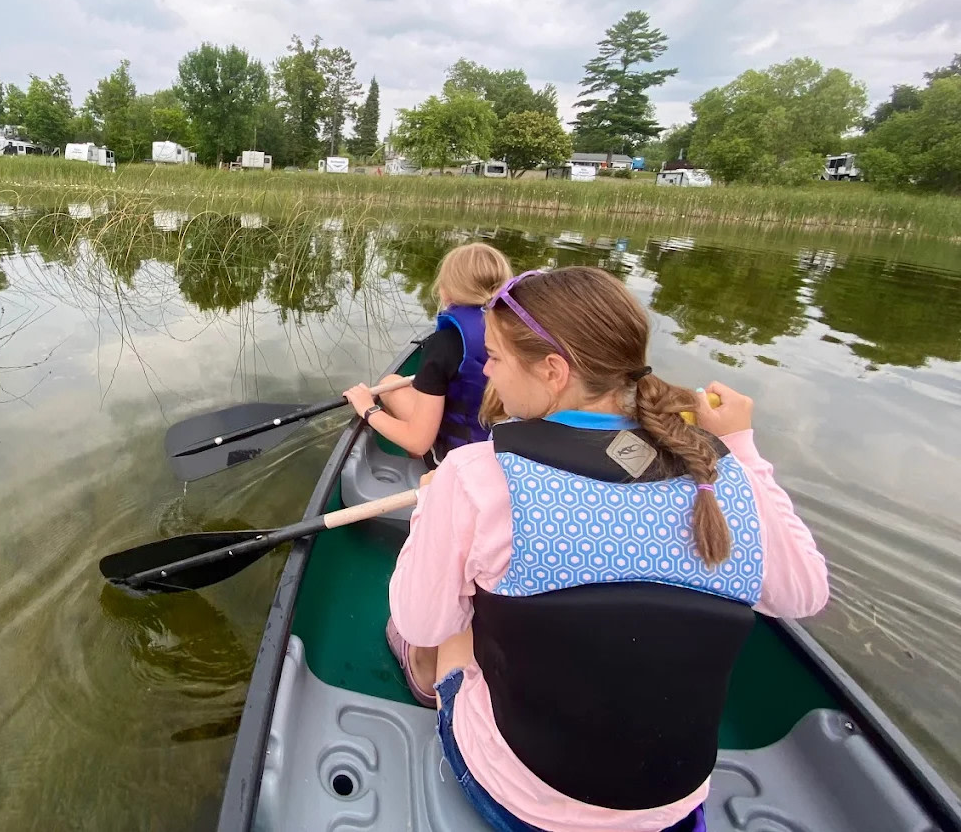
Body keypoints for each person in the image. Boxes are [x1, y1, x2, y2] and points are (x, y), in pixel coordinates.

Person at [386, 267, 830, 832]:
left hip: (522, 804)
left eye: (495, 356)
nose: (487, 367)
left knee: (438, 626)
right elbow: (804, 595)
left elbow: (421, 619)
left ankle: (429, 688)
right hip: (671, 812)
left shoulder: (475, 475)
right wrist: (741, 445)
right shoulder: (720, 471)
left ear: (553, 371)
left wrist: (432, 510)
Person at [343, 242, 511, 464]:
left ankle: (425, 467)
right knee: (394, 383)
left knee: (392, 387)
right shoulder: (516, 330)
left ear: (445, 290)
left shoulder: (444, 344)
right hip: (505, 452)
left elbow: (418, 441)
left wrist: (367, 408)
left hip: (461, 461)